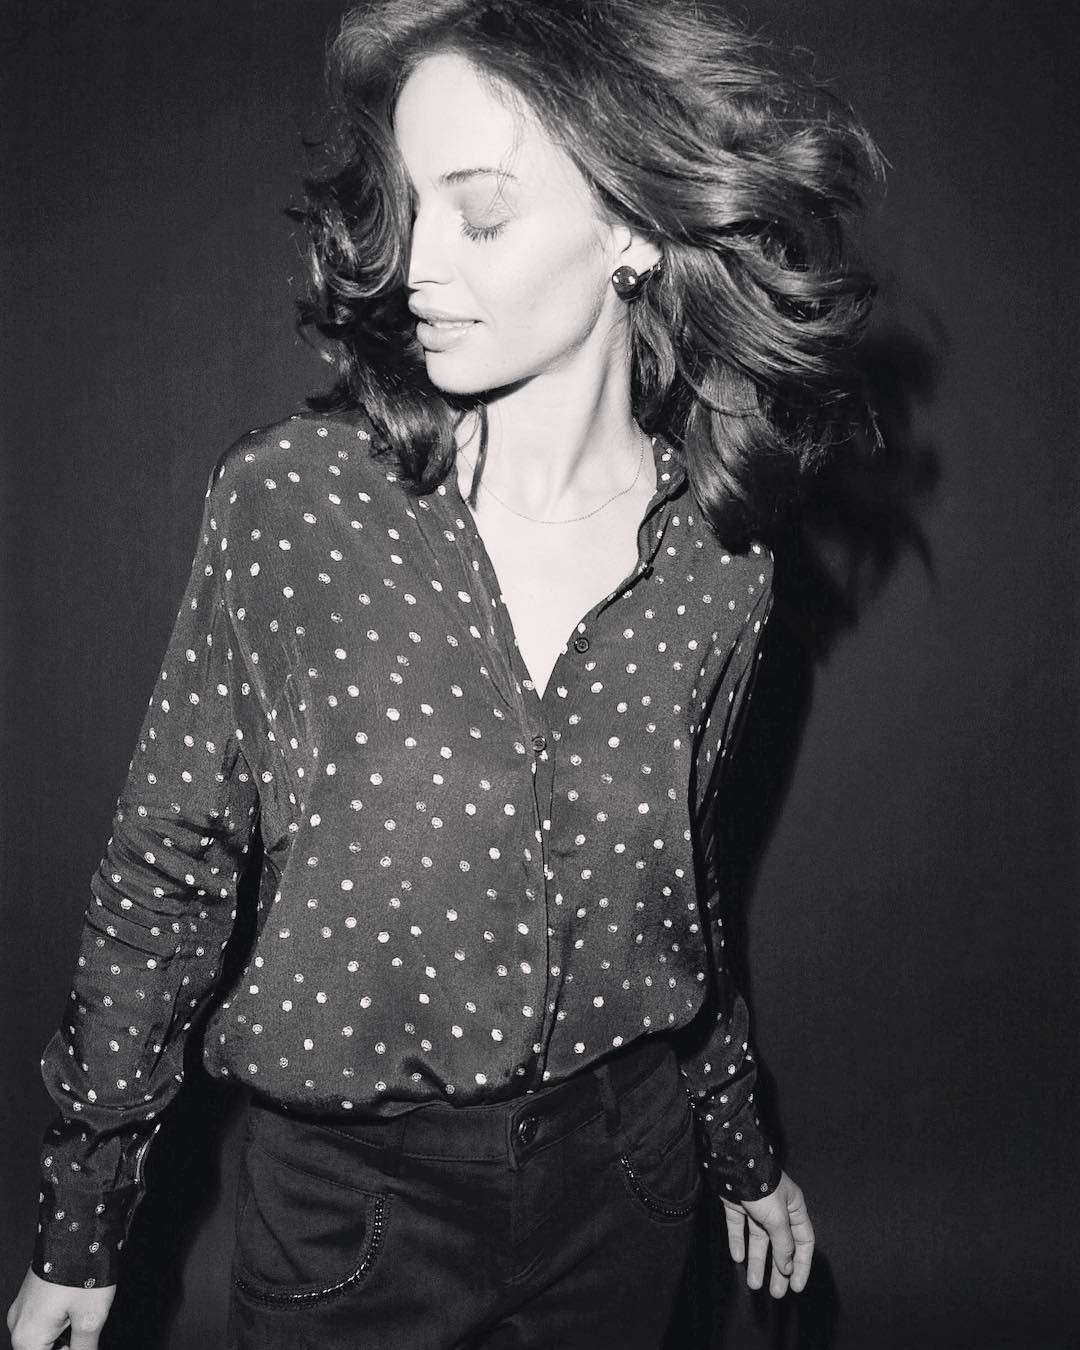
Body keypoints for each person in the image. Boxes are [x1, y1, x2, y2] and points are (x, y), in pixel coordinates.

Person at [7, 2, 882, 1346]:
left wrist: (737, 1145)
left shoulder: (720, 564)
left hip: (627, 1181)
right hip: (351, 1215)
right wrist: (83, 1219)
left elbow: (683, 887)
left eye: (477, 214)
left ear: (633, 232)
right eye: (408, 211)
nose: (417, 266)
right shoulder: (296, 504)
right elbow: (167, 868)